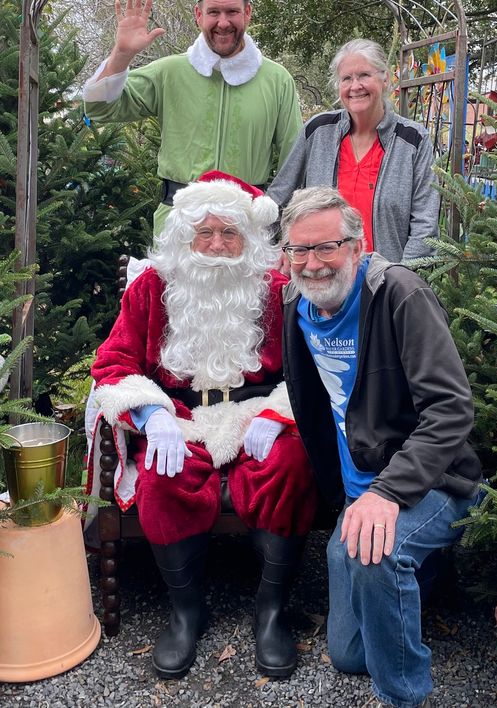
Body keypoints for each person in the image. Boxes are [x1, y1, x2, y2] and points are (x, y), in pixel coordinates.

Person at [88, 171, 316, 680]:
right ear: (184, 237)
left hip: (255, 414)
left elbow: (314, 366)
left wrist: (281, 412)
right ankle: (186, 611)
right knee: (160, 473)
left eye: (228, 233)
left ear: (247, 238)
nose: (215, 245)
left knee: (292, 463)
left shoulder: (277, 290)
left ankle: (271, 611)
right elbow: (114, 363)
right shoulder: (152, 288)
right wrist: (151, 415)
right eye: (204, 233)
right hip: (181, 418)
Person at [278, 187, 483, 708]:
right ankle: (415, 580)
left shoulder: (399, 294)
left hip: (433, 481)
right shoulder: (295, 306)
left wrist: (388, 494)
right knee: (349, 655)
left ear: (357, 245)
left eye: (327, 247)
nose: (313, 263)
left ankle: (404, 696)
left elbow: (452, 409)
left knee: (377, 552)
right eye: (299, 250)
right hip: (360, 488)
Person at [82, 0, 303, 233]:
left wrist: (278, 226)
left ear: (247, 13)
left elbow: (295, 162)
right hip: (178, 230)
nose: (223, 22)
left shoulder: (277, 81)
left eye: (232, 12)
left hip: (247, 232)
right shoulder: (168, 72)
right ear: (198, 15)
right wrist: (121, 55)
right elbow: (99, 109)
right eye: (213, 12)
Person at [268, 38, 439, 262]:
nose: (355, 86)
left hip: (384, 281)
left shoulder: (413, 140)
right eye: (346, 78)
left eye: (364, 75)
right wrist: (269, 249)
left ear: (385, 79)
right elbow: (279, 197)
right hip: (320, 275)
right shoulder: (318, 131)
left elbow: (424, 225)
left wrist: (401, 281)